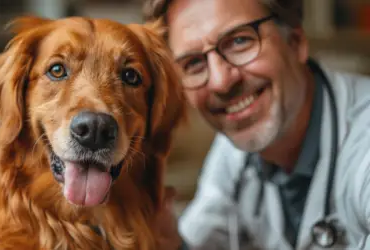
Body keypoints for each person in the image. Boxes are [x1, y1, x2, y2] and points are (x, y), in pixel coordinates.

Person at [143, 0, 370, 249]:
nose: (221, 82)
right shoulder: (234, 150)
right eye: (193, 63)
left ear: (295, 42)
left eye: (240, 41)